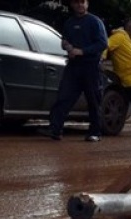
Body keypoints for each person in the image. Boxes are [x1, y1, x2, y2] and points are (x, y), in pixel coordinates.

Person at [44, 0, 108, 142]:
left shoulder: (95, 22)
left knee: (93, 100)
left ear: (87, 4)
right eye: (77, 2)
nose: (80, 5)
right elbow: (64, 41)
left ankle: (95, 132)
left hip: (91, 66)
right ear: (72, 5)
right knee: (64, 96)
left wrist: (82, 51)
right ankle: (55, 129)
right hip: (73, 66)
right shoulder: (69, 23)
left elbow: (103, 43)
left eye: (83, 2)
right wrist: (67, 46)